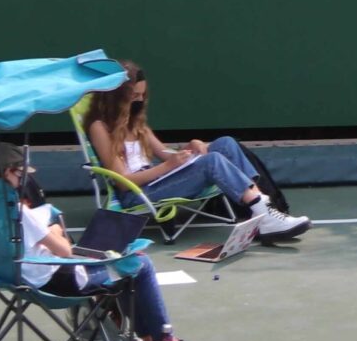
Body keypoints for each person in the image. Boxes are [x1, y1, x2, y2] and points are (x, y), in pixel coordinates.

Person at [0, 143, 209, 341]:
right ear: (7, 173)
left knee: (122, 265)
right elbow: (64, 250)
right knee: (138, 264)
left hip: (13, 278)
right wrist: (52, 229)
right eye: (20, 174)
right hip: (57, 283)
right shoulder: (21, 214)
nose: (23, 181)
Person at [84, 63, 311, 240]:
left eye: (142, 95)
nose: (139, 101)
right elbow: (123, 182)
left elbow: (164, 153)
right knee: (212, 161)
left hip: (158, 178)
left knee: (225, 143)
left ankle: (262, 211)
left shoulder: (136, 122)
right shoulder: (100, 127)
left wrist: (189, 149)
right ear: (116, 96)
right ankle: (263, 213)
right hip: (137, 192)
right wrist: (168, 166)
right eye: (134, 96)